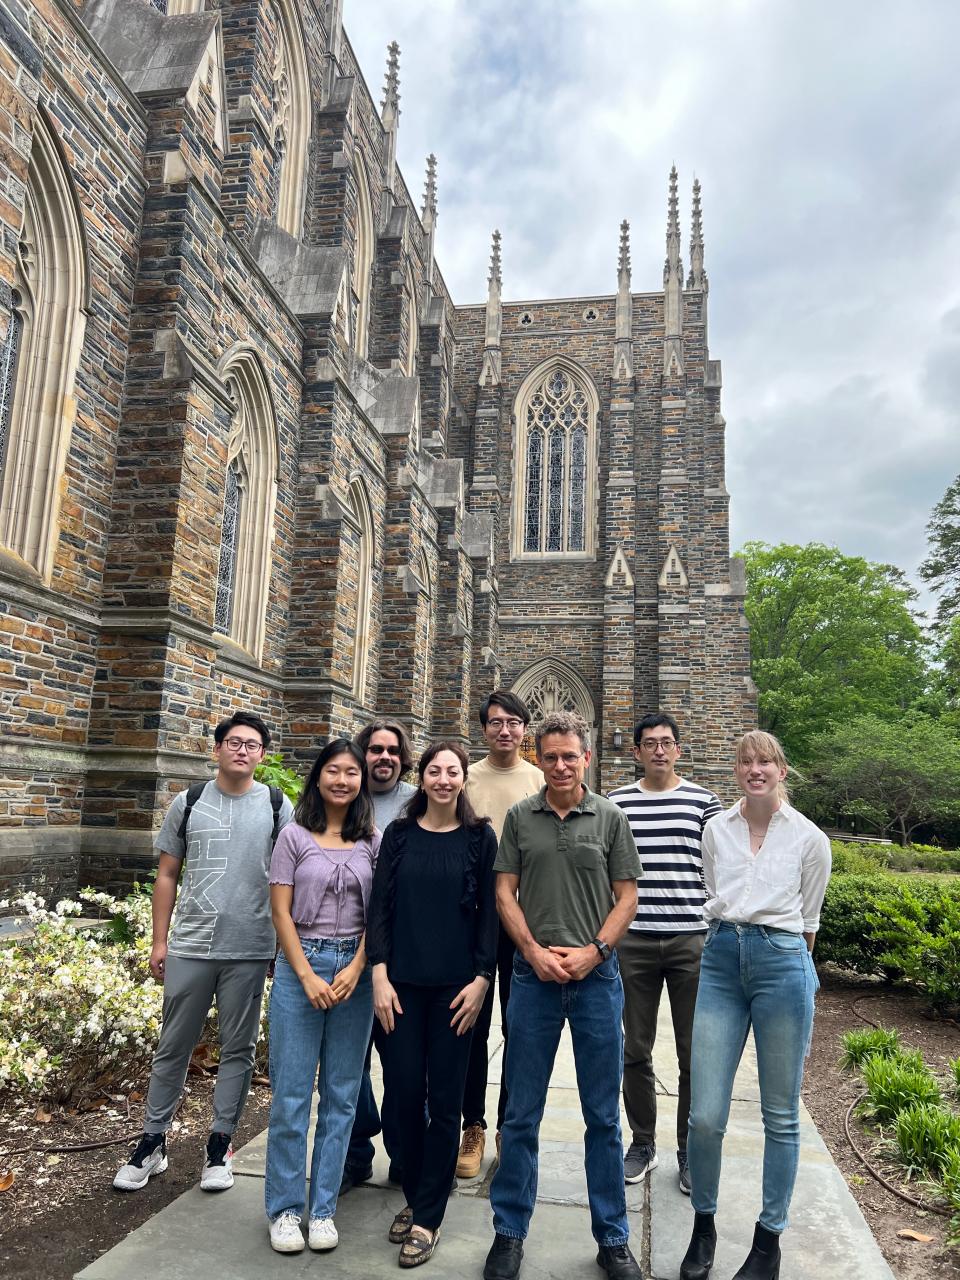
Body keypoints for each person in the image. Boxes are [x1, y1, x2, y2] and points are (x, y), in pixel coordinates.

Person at [484, 711, 645, 1280]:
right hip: (534, 980)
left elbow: (627, 897)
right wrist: (529, 951)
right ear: (539, 758)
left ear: (586, 758)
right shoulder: (520, 819)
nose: (558, 765)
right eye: (548, 756)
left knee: (602, 1117)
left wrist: (595, 951)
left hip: (596, 979)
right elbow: (504, 892)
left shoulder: (609, 817)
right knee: (521, 1113)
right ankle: (509, 1232)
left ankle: (613, 1237)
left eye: (568, 756)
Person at [113, 711, 294, 1193]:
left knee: (238, 1049)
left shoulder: (278, 806)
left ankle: (220, 1146)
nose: (242, 750)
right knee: (172, 1047)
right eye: (233, 742)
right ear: (217, 749)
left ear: (262, 754)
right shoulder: (189, 802)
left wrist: (282, 942)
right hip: (191, 944)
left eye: (252, 744)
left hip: (250, 949)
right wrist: (159, 939)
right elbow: (167, 874)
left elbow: (288, 880)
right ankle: (152, 1142)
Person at [680, 730, 831, 1280]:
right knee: (706, 1115)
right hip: (720, 957)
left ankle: (768, 1242)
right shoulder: (716, 829)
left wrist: (784, 962)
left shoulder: (810, 838)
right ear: (737, 770)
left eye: (764, 761)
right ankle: (704, 1226)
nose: (754, 769)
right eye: (745, 761)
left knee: (781, 1114)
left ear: (781, 770)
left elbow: (808, 917)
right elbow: (715, 889)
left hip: (783, 961)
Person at [367, 741, 498, 1268]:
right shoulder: (397, 837)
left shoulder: (479, 838)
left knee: (444, 1103)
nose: (444, 780)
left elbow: (490, 913)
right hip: (399, 986)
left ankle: (428, 1215)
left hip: (455, 993)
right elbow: (378, 908)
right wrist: (378, 972)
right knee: (399, 1096)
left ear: (464, 780)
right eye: (435, 771)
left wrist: (482, 978)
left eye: (453, 772)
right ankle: (418, 1190)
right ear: (421, 778)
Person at [264, 738, 379, 1254]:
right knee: (290, 1095)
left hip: (353, 972)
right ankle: (285, 1208)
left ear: (360, 783)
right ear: (318, 778)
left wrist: (358, 966)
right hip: (300, 968)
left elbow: (381, 915)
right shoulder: (293, 836)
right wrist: (306, 974)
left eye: (351, 773)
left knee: (341, 1096)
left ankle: (324, 1208)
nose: (342, 780)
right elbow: (281, 913)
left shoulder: (372, 840)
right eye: (333, 771)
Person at [608, 713, 721, 1193]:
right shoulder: (616, 803)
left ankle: (689, 1149)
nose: (658, 750)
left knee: (695, 1052)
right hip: (631, 941)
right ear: (636, 751)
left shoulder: (704, 802)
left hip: (690, 940)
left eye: (667, 743)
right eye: (649, 743)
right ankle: (643, 1141)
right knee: (634, 1047)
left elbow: (724, 865)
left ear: (678, 750)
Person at [457, 689, 542, 1180]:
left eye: (513, 722)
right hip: (470, 922)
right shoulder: (465, 779)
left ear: (524, 730)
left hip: (523, 922)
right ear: (484, 729)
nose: (504, 730)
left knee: (520, 1028)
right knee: (471, 1025)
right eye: (495, 722)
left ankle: (513, 1126)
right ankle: (474, 1125)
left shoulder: (537, 780)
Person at [340, 717, 416, 1192]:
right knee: (348, 1063)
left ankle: (406, 1153)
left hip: (401, 954)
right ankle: (355, 1151)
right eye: (375, 749)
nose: (383, 757)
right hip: (345, 948)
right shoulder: (344, 798)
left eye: (392, 750)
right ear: (362, 754)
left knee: (404, 1064)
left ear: (402, 757)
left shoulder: (415, 803)